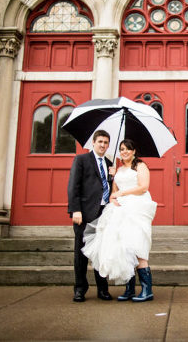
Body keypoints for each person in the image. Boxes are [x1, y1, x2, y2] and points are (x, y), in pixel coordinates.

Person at [82, 138, 157, 302]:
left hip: (137, 209)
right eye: (122, 149)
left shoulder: (141, 166)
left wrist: (121, 194)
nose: (124, 151)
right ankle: (129, 289)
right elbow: (114, 191)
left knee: (138, 246)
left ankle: (147, 289)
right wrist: (113, 197)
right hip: (121, 210)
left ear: (134, 151)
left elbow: (143, 187)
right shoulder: (118, 170)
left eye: (128, 149)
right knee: (125, 247)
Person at [67, 129, 113, 302]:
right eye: (100, 141)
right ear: (93, 143)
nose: (102, 145)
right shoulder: (81, 160)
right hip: (85, 213)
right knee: (81, 253)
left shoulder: (109, 164)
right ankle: (80, 289)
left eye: (106, 142)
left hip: (104, 213)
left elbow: (108, 188)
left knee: (101, 252)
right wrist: (75, 210)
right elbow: (73, 186)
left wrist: (112, 177)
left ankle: (102, 289)